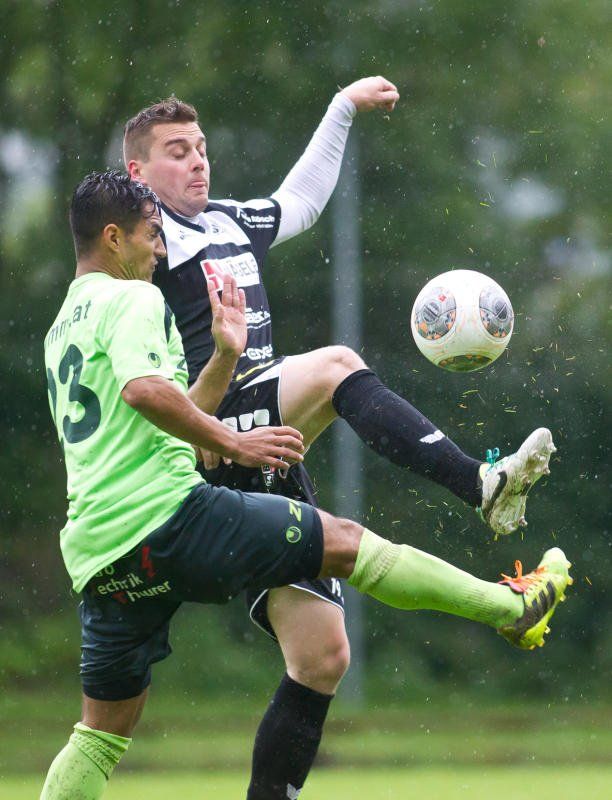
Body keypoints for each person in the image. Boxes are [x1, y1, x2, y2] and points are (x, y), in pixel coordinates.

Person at [40, 170, 570, 800]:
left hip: (100, 554)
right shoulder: (133, 299)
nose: (159, 248)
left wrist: (225, 356)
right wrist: (236, 443)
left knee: (99, 736)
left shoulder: (62, 327)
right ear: (112, 237)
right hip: (168, 518)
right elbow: (145, 393)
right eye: (150, 235)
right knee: (344, 543)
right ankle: (512, 608)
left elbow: (165, 419)